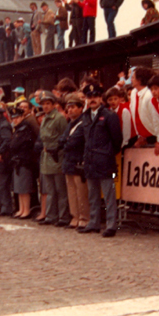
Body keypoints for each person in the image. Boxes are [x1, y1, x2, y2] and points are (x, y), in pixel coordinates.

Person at [79, 82, 123, 237]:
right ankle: (94, 222)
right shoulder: (85, 116)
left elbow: (117, 140)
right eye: (89, 96)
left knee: (109, 194)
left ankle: (111, 225)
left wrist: (107, 153)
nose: (93, 99)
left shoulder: (110, 115)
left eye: (96, 96)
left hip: (106, 161)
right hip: (90, 161)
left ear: (100, 97)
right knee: (92, 194)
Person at [38, 91, 71, 226]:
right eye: (43, 104)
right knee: (50, 190)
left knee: (60, 190)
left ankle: (63, 217)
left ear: (54, 104)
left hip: (57, 156)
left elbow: (64, 138)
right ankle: (51, 216)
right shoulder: (45, 118)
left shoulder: (59, 118)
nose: (45, 106)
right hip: (46, 157)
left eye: (48, 104)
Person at [60, 94, 90, 230]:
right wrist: (65, 141)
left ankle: (84, 217)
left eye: (73, 107)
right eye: (68, 107)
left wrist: (66, 141)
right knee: (71, 191)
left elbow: (74, 141)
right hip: (68, 161)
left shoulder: (83, 123)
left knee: (81, 191)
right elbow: (62, 140)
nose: (70, 110)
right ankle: (75, 216)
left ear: (80, 108)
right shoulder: (69, 124)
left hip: (78, 161)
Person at [9, 105, 37, 218]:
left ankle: (26, 210)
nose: (14, 120)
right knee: (19, 188)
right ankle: (21, 209)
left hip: (24, 161)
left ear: (21, 117)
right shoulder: (17, 129)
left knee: (24, 188)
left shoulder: (25, 129)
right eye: (13, 118)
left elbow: (19, 145)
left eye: (17, 117)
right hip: (17, 161)